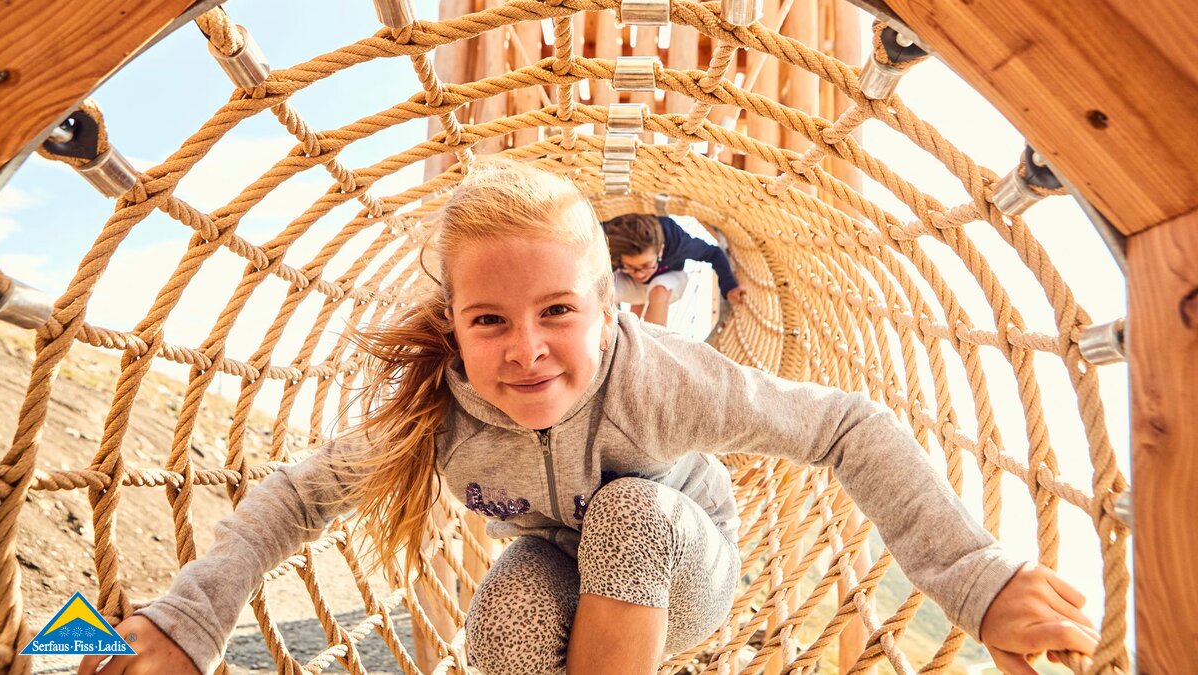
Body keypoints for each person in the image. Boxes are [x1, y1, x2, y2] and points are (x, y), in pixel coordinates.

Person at [79, 159, 1098, 675]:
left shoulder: (665, 378)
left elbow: (846, 427)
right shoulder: (445, 410)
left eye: (557, 312)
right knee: (508, 609)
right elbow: (297, 495)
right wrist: (190, 617)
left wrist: (975, 579)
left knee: (630, 514)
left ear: (609, 313)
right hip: (564, 576)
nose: (525, 348)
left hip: (682, 573)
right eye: (491, 320)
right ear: (456, 327)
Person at [602, 213, 745, 326]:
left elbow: (714, 253)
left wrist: (729, 287)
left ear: (660, 250)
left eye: (646, 265)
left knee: (658, 290)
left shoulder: (678, 243)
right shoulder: (612, 246)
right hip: (629, 282)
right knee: (602, 289)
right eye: (632, 267)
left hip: (669, 277)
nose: (640, 273)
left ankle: (653, 352)